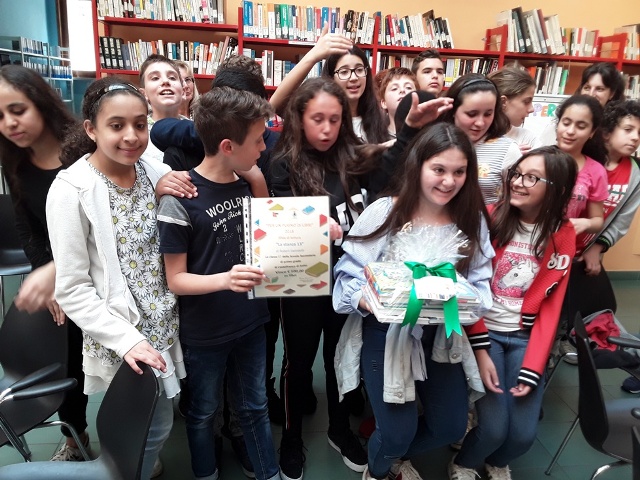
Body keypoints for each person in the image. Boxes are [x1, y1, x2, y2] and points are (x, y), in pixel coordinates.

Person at [268, 77, 453, 480]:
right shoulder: (282, 163)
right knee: (298, 361)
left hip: (348, 278)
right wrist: (315, 226)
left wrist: (409, 128)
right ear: (299, 118)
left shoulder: (353, 159)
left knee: (339, 356)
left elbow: (391, 168)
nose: (326, 129)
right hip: (300, 280)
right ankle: (292, 439)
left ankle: (339, 429)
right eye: (317, 119)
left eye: (334, 119)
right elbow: (277, 222)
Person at [46, 76, 191, 479]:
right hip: (121, 332)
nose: (131, 136)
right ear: (91, 129)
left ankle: (141, 464)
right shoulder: (71, 189)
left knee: (156, 419)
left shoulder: (155, 169)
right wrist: (127, 340)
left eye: (140, 125)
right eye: (116, 125)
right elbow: (73, 288)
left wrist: (165, 189)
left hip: (165, 320)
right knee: (147, 425)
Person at [333, 122, 494, 480]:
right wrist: (373, 300)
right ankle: (379, 469)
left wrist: (464, 299)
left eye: (459, 172)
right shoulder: (385, 212)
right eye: (439, 169)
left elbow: (481, 284)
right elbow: (347, 276)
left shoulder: (471, 219)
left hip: (443, 336)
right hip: (386, 333)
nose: (449, 181)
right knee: (395, 432)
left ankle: (396, 453)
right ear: (418, 165)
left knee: (451, 426)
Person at [157, 86, 281, 480]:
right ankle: (205, 472)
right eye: (258, 139)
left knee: (255, 406)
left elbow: (276, 237)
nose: (264, 146)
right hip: (204, 333)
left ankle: (269, 472)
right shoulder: (180, 199)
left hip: (251, 322)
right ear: (228, 146)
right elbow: (175, 280)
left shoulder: (249, 184)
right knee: (203, 412)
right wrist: (225, 280)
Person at [448, 146, 578, 480]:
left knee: (522, 435)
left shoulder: (563, 234)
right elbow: (467, 286)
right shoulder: (490, 217)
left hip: (524, 337)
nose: (518, 182)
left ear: (559, 189)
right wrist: (479, 346)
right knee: (493, 429)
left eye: (532, 178)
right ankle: (464, 463)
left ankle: (496, 461)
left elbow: (551, 307)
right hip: (484, 333)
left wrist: (534, 366)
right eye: (517, 174)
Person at [0, 64, 92, 462]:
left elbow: (106, 225)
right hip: (63, 278)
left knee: (120, 359)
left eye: (17, 110)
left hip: (106, 270)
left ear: (40, 103)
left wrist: (60, 273)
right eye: (0, 116)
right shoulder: (15, 163)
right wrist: (50, 277)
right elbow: (29, 230)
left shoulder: (84, 149)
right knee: (65, 356)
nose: (9, 123)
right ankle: (75, 439)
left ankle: (140, 436)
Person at [440, 73, 522, 205]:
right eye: (471, 114)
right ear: (453, 110)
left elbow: (515, 202)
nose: (480, 123)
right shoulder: (436, 142)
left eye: (488, 114)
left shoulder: (508, 150)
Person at [581, 100, 640, 276]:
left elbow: (623, 219)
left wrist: (597, 248)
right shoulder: (584, 160)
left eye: (639, 133)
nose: (635, 137)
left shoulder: (636, 173)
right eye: (628, 130)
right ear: (606, 133)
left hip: (589, 250)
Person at [555, 95, 608, 253]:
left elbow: (597, 220)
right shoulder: (537, 159)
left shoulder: (596, 171)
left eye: (581, 126)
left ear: (592, 132)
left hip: (561, 250)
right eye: (566, 123)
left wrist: (586, 223)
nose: (570, 131)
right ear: (558, 124)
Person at [538, 62, 625, 146]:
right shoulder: (562, 119)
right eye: (587, 88)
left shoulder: (617, 127)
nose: (591, 94)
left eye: (599, 89)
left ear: (611, 94)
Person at [322, 45, 389, 143]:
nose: (354, 78)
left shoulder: (379, 119)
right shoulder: (325, 123)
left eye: (359, 70)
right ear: (331, 78)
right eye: (344, 72)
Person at [138, 54, 185, 163]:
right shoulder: (137, 133)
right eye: (155, 78)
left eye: (172, 78)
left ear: (183, 90)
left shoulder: (198, 129)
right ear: (144, 94)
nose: (165, 81)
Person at [488, 67, 539, 154]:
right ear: (503, 102)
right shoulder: (476, 135)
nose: (532, 109)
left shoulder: (528, 139)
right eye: (526, 101)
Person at [377, 67, 418, 137]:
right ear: (384, 103)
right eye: (394, 89)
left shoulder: (427, 135)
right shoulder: (376, 137)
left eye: (408, 87)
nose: (402, 90)